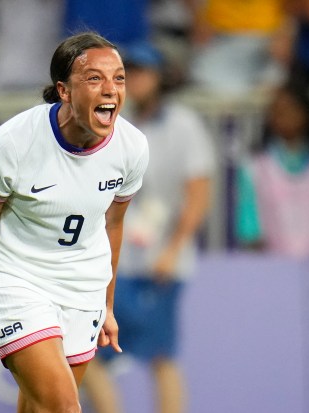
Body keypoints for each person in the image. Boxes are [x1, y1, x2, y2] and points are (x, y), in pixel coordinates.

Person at [0, 32, 149, 413]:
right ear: (63, 90)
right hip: (15, 279)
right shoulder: (12, 145)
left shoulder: (131, 148)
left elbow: (112, 225)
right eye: (94, 78)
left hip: (81, 286)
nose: (110, 89)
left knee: (37, 406)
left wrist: (107, 307)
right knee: (64, 406)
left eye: (119, 78)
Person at [82, 42, 214, 413]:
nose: (134, 80)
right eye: (127, 74)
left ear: (160, 78)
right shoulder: (111, 124)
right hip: (113, 261)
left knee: (160, 355)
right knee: (88, 352)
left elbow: (198, 193)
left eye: (141, 73)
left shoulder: (183, 124)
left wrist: (173, 250)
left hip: (159, 262)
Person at [235, 80, 309, 257]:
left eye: (289, 110)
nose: (281, 117)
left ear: (307, 115)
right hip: (270, 267)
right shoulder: (254, 167)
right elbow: (250, 229)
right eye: (276, 112)